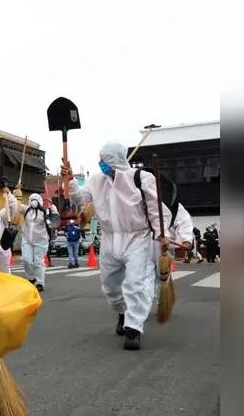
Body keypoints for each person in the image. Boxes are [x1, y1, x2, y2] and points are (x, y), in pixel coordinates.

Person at [63, 141, 171, 351]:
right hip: (110, 239)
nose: (101, 163)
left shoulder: (140, 179)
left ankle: (133, 328)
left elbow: (156, 209)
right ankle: (122, 312)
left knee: (134, 284)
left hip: (137, 238)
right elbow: (79, 198)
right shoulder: (96, 181)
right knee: (110, 286)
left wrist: (162, 233)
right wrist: (71, 181)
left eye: (104, 159)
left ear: (114, 160)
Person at [19, 192, 49, 290]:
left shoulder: (44, 212)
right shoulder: (26, 210)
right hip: (27, 240)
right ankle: (31, 278)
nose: (33, 202)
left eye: (35, 200)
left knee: (38, 262)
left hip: (40, 241)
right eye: (32, 199)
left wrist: (52, 210)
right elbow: (15, 204)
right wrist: (14, 193)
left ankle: (40, 282)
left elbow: (54, 221)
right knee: (26, 260)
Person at [0, 186, 20, 274]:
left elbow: (12, 208)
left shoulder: (1, 216)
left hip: (1, 250)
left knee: (3, 277)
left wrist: (9, 195)